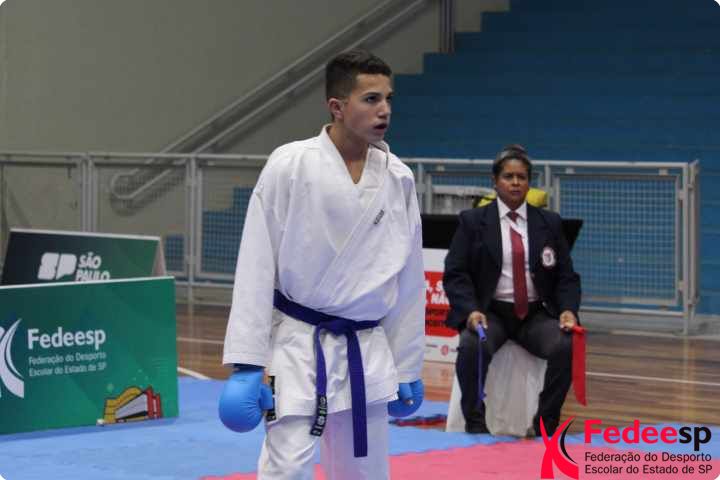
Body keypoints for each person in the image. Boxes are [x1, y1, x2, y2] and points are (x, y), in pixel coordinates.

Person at [219, 49, 426, 480]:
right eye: (371, 99)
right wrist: (247, 362)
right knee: (286, 468)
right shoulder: (290, 165)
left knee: (365, 473)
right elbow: (256, 264)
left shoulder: (399, 178)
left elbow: (408, 279)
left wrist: (407, 364)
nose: (384, 110)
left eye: (388, 98)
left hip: (365, 348)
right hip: (299, 345)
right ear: (337, 106)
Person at [443, 144, 581, 437]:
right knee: (472, 345)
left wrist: (568, 310)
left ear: (529, 183)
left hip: (535, 316)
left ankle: (545, 423)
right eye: (508, 176)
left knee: (567, 345)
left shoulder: (549, 223)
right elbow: (456, 274)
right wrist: (470, 311)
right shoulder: (472, 221)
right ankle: (476, 424)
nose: (515, 183)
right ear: (495, 181)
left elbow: (566, 276)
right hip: (491, 314)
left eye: (522, 177)